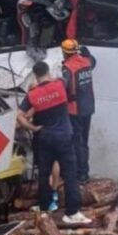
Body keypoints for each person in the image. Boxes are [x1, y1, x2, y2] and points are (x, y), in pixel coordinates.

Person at [17, 61, 91, 224]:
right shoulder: (59, 85)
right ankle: (72, 212)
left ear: (35, 75)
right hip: (64, 137)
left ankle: (45, 209)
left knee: (44, 174)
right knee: (70, 174)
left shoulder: (32, 95)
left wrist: (32, 128)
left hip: (44, 138)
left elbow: (20, 115)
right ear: (47, 71)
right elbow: (61, 78)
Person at [61, 39, 96, 183]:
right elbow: (93, 61)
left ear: (64, 52)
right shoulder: (86, 61)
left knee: (77, 142)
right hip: (88, 106)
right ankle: (83, 172)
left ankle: (81, 173)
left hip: (75, 109)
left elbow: (65, 87)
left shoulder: (68, 68)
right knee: (84, 141)